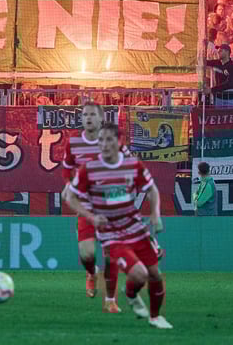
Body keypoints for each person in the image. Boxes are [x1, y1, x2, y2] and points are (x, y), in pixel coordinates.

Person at [65, 122, 171, 330]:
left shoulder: (132, 165)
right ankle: (119, 295)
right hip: (111, 233)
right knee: (139, 273)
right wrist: (90, 216)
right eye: (101, 140)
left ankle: (153, 315)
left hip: (135, 227)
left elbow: (152, 190)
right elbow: (70, 196)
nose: (104, 144)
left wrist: (155, 213)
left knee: (155, 274)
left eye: (109, 139)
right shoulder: (89, 169)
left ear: (119, 141)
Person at [60, 101, 119, 311]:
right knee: (86, 255)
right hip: (85, 208)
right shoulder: (73, 143)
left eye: (92, 115)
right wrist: (68, 185)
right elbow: (67, 169)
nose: (88, 118)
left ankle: (111, 300)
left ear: (101, 118)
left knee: (111, 256)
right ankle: (91, 272)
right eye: (85, 115)